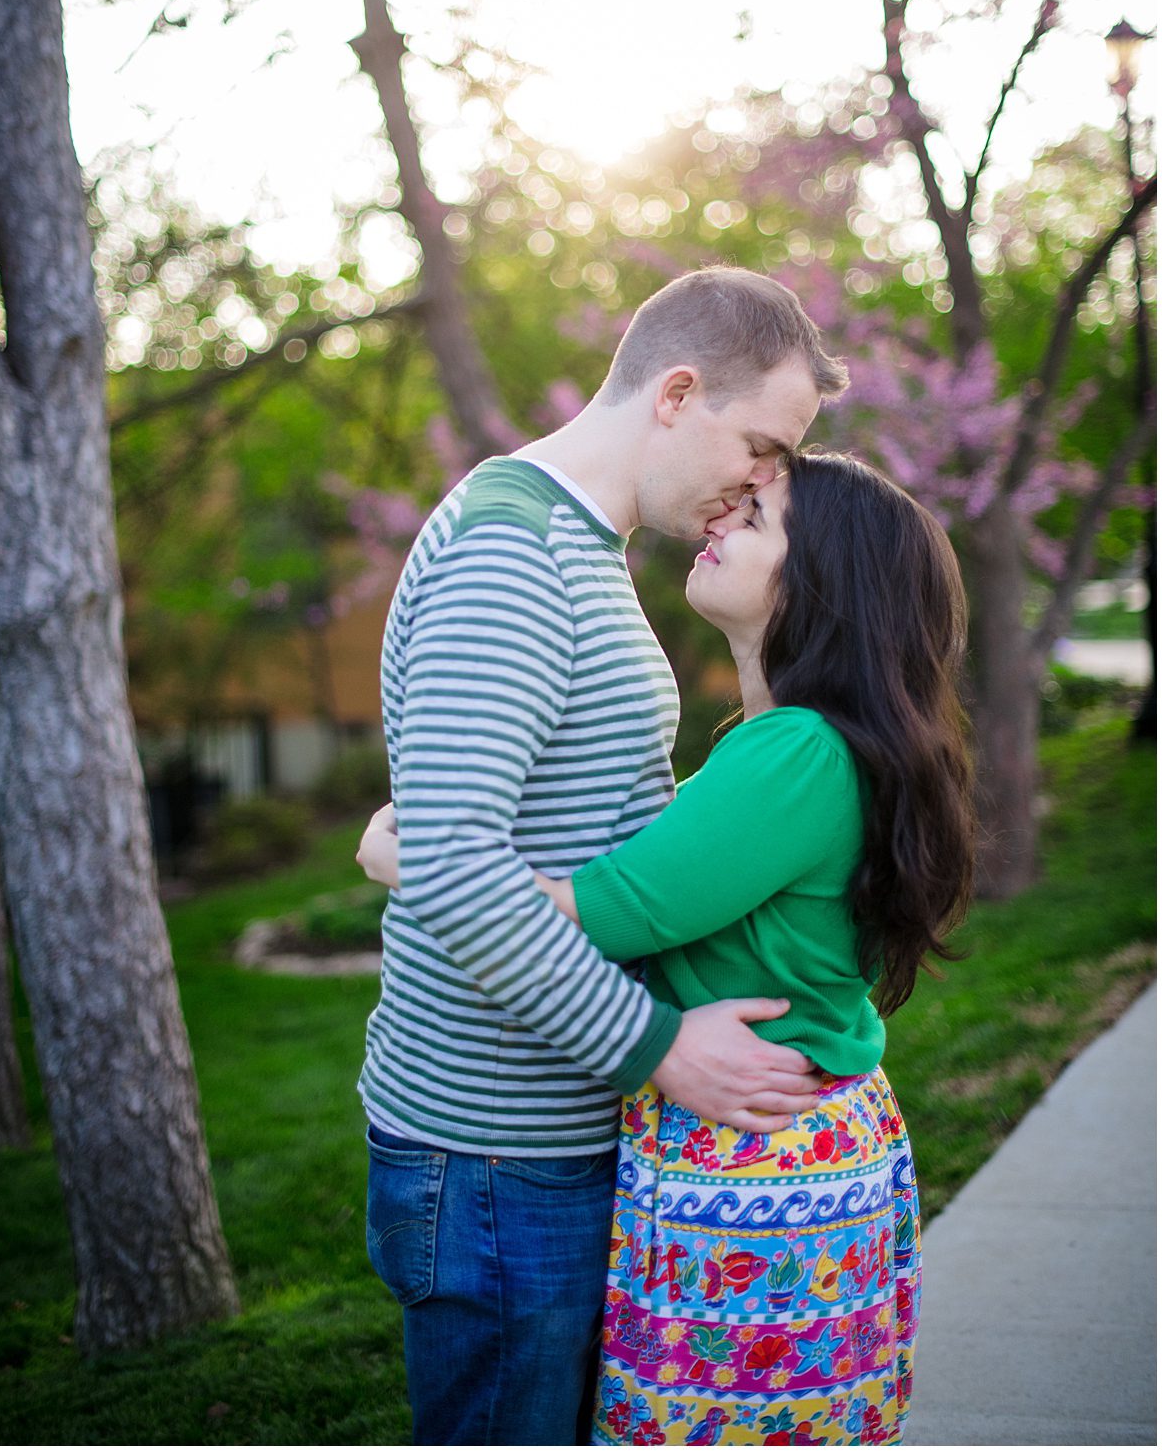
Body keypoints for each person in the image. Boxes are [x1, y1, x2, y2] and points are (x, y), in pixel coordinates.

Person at [363, 449, 974, 1447]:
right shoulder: (789, 746)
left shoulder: (797, 753)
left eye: (759, 516)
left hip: (758, 1166)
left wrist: (414, 857)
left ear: (821, 581)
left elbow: (608, 906)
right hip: (791, 1139)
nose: (721, 518)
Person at [359, 267, 850, 1444]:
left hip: (538, 1136)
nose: (761, 482)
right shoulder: (514, 557)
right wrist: (660, 1048)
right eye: (762, 444)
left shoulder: (576, 548)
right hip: (493, 1152)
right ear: (679, 392)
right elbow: (464, 867)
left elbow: (526, 824)